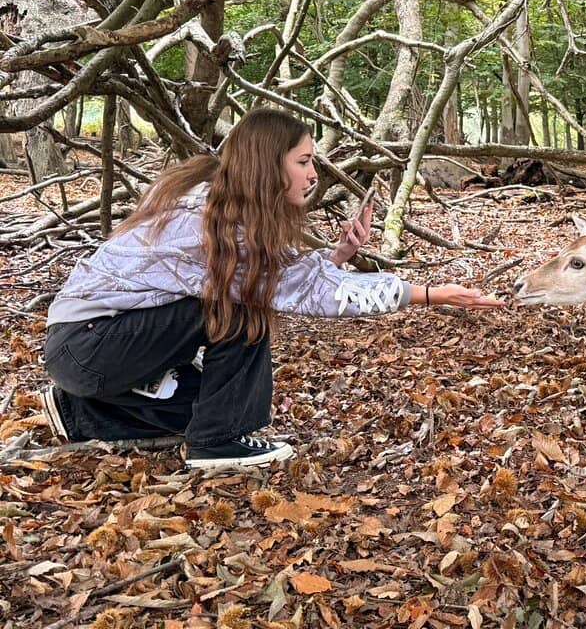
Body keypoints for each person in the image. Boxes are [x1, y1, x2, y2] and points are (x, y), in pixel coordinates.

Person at [41, 107, 505, 470]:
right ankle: (217, 445)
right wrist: (428, 293)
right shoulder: (214, 221)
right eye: (303, 161)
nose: (313, 174)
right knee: (241, 316)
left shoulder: (221, 207)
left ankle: (82, 413)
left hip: (90, 351)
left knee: (219, 399)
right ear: (268, 164)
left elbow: (285, 279)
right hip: (90, 341)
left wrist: (338, 256)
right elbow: (303, 291)